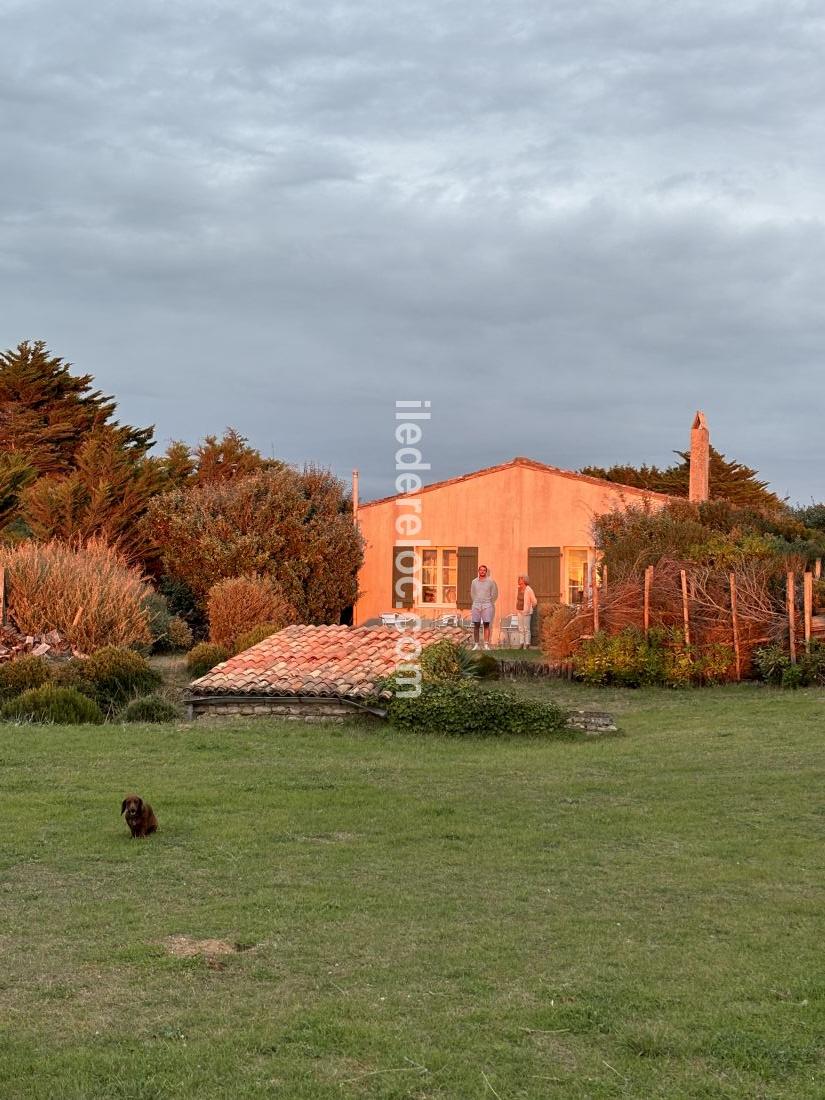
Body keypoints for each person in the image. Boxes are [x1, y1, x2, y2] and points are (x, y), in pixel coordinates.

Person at [471, 564, 498, 650]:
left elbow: (494, 594)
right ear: (478, 571)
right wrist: (476, 601)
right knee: (476, 625)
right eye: (481, 570)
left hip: (487, 605)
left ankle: (486, 644)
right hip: (476, 605)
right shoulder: (474, 581)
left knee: (486, 624)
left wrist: (489, 601)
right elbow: (472, 593)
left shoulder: (491, 582)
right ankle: (476, 644)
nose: (482, 571)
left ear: (486, 572)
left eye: (484, 570)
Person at [516, 574, 537, 649]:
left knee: (526, 628)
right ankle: (521, 643)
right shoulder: (518, 589)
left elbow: (534, 601)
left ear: (525, 581)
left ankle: (527, 644)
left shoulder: (529, 589)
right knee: (520, 628)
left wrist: (530, 608)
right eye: (519, 580)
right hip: (519, 610)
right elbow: (517, 599)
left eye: (521, 580)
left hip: (526, 612)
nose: (519, 581)